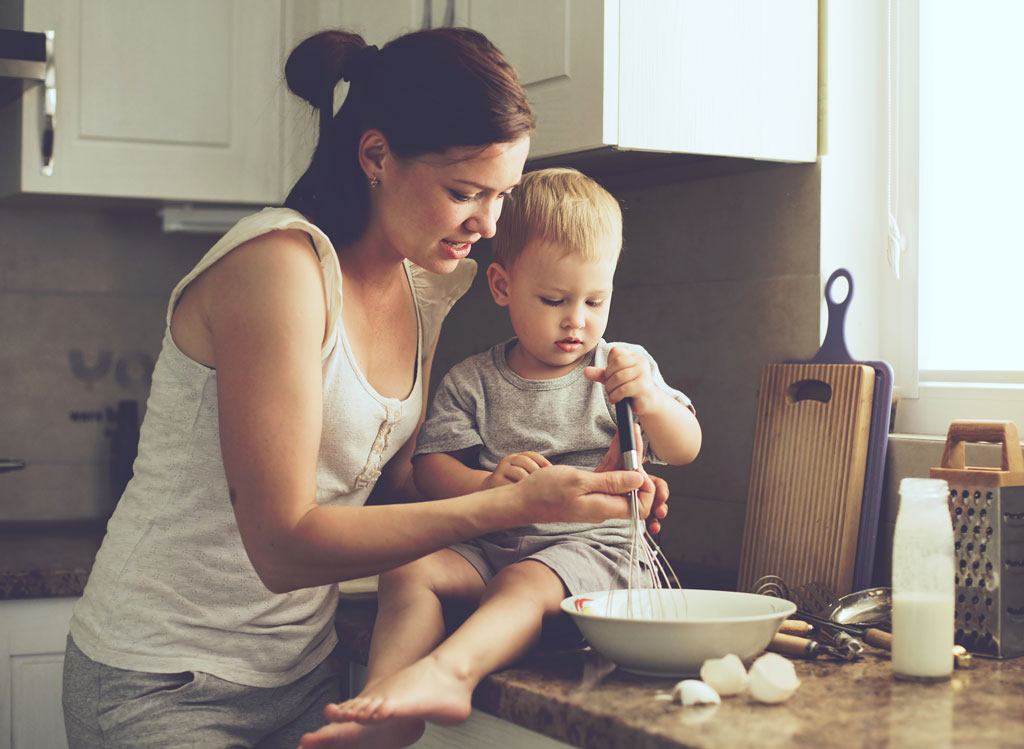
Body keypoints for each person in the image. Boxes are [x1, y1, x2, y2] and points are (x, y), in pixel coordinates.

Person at [60, 29, 666, 749]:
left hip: (304, 673)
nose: (489, 224)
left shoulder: (425, 286)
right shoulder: (279, 267)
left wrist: (559, 491)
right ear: (376, 156)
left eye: (501, 194)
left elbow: (394, 490)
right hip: (163, 680)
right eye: (463, 192)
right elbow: (281, 545)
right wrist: (503, 503)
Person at [303, 168, 702, 749]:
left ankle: (451, 674)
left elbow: (684, 446)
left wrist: (655, 400)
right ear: (501, 285)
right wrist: (489, 484)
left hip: (595, 554)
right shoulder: (474, 381)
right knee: (408, 568)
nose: (577, 320)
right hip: (488, 546)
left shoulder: (621, 367)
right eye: (554, 299)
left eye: (596, 300)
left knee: (523, 580)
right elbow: (431, 471)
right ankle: (388, 704)